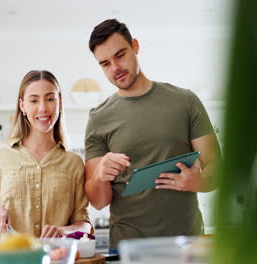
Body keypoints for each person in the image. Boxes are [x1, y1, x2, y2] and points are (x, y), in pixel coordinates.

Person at [84, 19, 221, 248]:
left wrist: (199, 180)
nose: (115, 68)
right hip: (129, 247)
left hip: (186, 244)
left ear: (135, 46)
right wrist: (100, 175)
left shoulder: (185, 102)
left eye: (120, 55)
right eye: (105, 64)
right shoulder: (98, 118)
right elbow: (98, 202)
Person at [0, 70, 92, 239]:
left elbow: (84, 223)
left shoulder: (73, 163)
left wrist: (63, 231)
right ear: (22, 106)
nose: (42, 108)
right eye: (34, 100)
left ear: (60, 103)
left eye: (50, 99)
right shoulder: (1, 157)